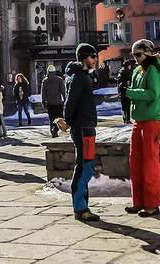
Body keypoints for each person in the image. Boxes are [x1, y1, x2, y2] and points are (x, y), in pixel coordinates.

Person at [56, 43, 101, 222]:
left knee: (86, 165)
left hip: (86, 126)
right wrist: (67, 120)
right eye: (92, 57)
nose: (95, 60)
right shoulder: (79, 78)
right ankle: (80, 208)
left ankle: (82, 206)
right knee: (85, 166)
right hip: (83, 128)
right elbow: (70, 102)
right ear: (83, 58)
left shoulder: (80, 76)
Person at [123, 39, 160, 217]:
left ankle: (152, 204)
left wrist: (130, 92)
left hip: (151, 121)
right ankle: (138, 201)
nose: (135, 58)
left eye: (138, 55)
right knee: (135, 163)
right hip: (139, 121)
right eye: (133, 55)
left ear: (147, 53)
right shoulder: (138, 70)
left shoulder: (154, 70)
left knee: (149, 164)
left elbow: (153, 94)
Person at [41, 65, 66, 137]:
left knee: (51, 118)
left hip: (49, 103)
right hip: (58, 102)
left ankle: (53, 129)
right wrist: (65, 99)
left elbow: (43, 92)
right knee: (59, 117)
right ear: (55, 71)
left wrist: (43, 101)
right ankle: (55, 128)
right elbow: (63, 91)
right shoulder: (60, 80)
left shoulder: (44, 81)